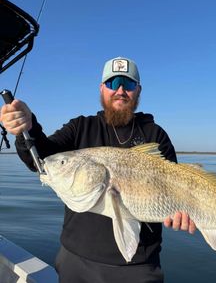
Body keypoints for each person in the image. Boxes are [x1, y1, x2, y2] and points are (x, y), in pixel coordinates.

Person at [0, 56, 196, 283]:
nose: (120, 90)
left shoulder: (155, 135)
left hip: (138, 268)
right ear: (102, 89)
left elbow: (178, 186)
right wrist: (28, 127)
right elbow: (42, 157)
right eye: (113, 83)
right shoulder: (80, 127)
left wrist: (183, 214)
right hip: (76, 260)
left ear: (138, 90)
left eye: (129, 84)